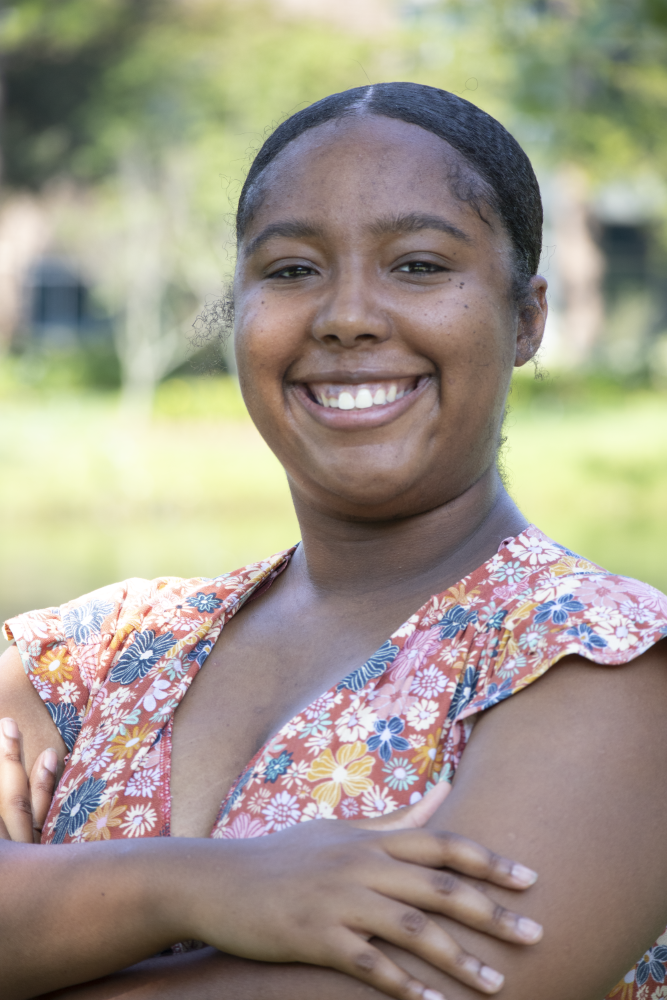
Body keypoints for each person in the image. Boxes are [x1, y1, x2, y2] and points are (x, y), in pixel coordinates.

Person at [1, 81, 667, 1000]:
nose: (345, 315)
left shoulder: (606, 665)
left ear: (526, 318)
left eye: (420, 265)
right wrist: (200, 885)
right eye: (289, 270)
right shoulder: (96, 652)